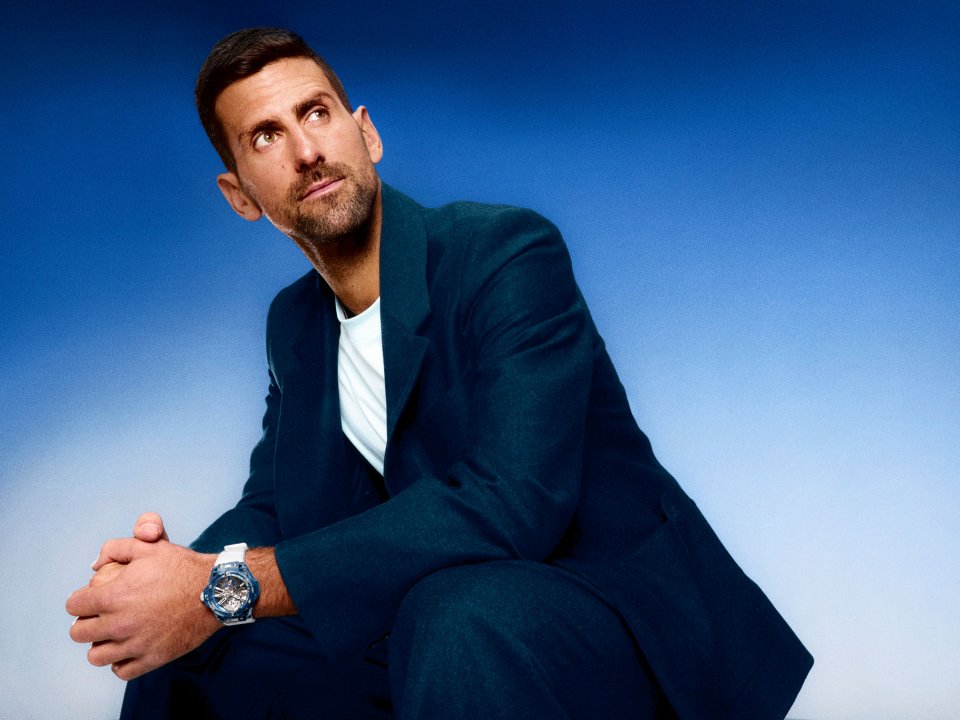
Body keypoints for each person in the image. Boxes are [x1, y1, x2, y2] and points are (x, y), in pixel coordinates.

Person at [66, 27, 812, 719]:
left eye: (317, 113)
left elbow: (513, 503)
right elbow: (275, 506)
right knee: (190, 650)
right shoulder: (292, 324)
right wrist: (166, 580)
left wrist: (224, 589)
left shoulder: (505, 253)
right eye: (267, 135)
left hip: (615, 615)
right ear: (240, 196)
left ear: (366, 133)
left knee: (451, 615)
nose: (306, 149)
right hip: (445, 622)